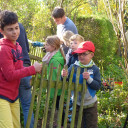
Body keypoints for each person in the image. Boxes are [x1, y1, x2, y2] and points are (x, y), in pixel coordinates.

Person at [0, 10, 42, 128]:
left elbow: (18, 71)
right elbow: (10, 75)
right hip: (2, 96)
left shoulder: (17, 47)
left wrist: (30, 73)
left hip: (14, 96)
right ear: (1, 31)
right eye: (10, 29)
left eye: (16, 28)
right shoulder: (3, 49)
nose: (15, 32)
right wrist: (32, 69)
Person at [62, 41, 101, 128]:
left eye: (84, 54)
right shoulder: (73, 67)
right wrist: (64, 75)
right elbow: (65, 80)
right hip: (77, 103)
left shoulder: (95, 69)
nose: (81, 56)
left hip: (90, 104)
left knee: (91, 125)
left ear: (91, 55)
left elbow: (98, 86)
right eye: (79, 54)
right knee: (77, 124)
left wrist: (89, 79)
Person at [42, 35, 65, 127]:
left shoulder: (55, 60)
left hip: (57, 87)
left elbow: (56, 74)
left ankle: (61, 123)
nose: (45, 46)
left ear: (53, 46)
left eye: (47, 45)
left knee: (59, 106)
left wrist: (54, 87)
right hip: (55, 86)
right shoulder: (52, 55)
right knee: (58, 106)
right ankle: (60, 122)